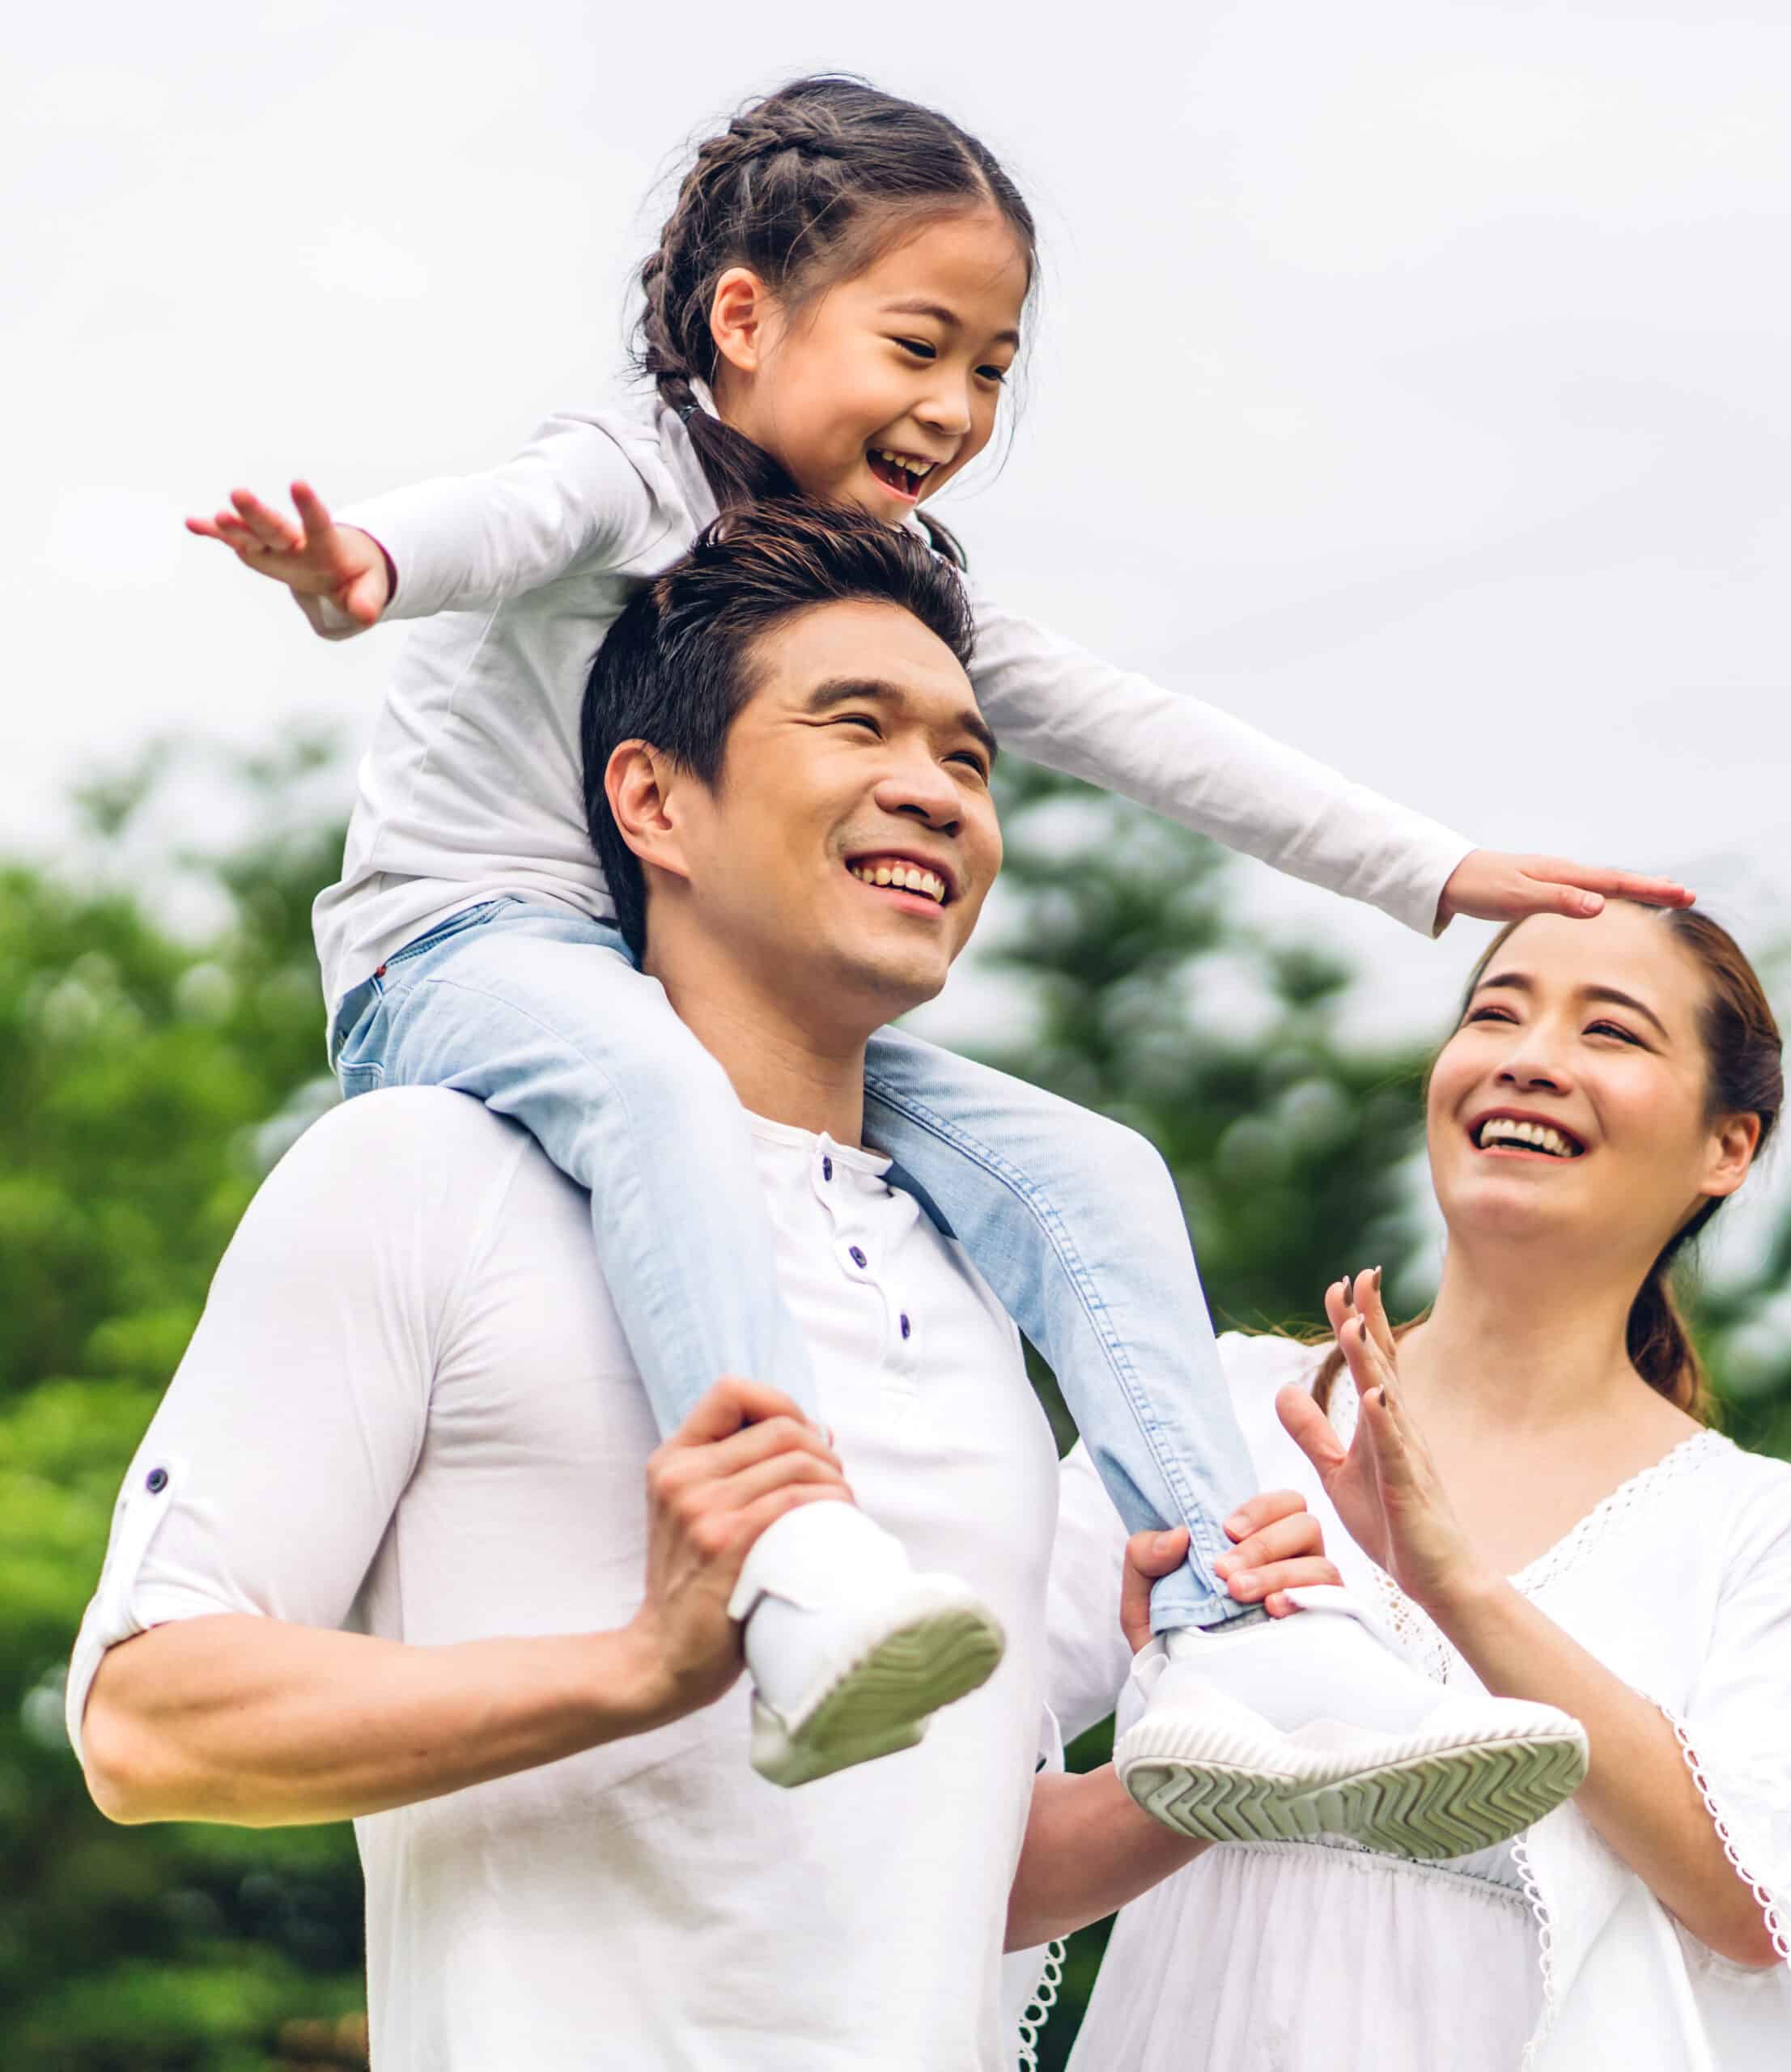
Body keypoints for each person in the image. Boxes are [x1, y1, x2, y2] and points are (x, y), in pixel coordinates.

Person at [181, 74, 1685, 1816]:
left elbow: (1142, 728)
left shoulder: (884, 580)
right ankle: (789, 1561)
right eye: (918, 344)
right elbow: (494, 527)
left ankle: (1225, 1612)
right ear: (739, 319)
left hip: (673, 979)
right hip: (460, 952)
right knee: (650, 1083)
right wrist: (364, 561)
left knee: (1089, 1167)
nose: (955, 403)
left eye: (990, 364)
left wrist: (1437, 869)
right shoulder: (623, 467)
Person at [66, 503, 1351, 2070]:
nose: (931, 790)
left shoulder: (972, 1265)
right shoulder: (424, 1172)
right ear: (652, 801)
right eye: (855, 725)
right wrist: (642, 1667)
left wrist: (1201, 1755)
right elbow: (147, 1719)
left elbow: (934, 1876)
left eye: (968, 756)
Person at [1029, 900, 1791, 2070]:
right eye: (1497, 1012)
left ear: (1726, 1147)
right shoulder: (1214, 1414)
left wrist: (1449, 1582)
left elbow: (1752, 1911)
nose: (1531, 1060)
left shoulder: (1760, 1527)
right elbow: (949, 1852)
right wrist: (1206, 1764)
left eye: (1613, 1034)